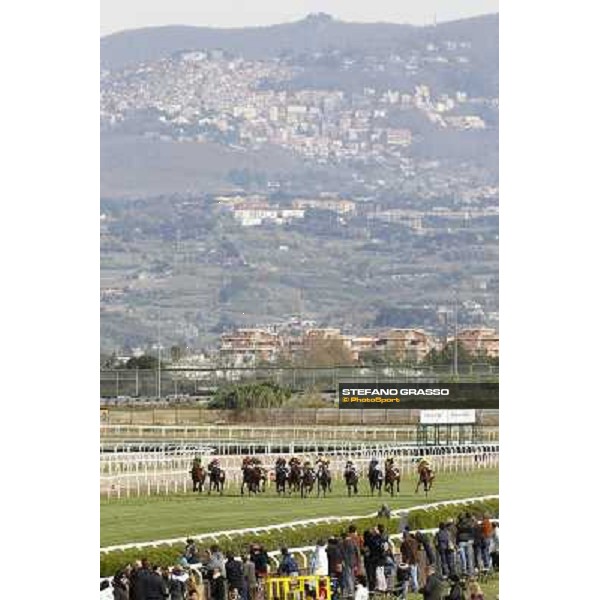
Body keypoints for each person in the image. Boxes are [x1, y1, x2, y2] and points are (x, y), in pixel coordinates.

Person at [400, 530, 420, 594]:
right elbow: (416, 550)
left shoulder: (405, 543)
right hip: (415, 561)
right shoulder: (414, 541)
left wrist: (406, 562)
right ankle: (415, 590)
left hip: (409, 562)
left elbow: (405, 552)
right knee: (414, 576)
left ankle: (413, 590)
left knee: (408, 577)